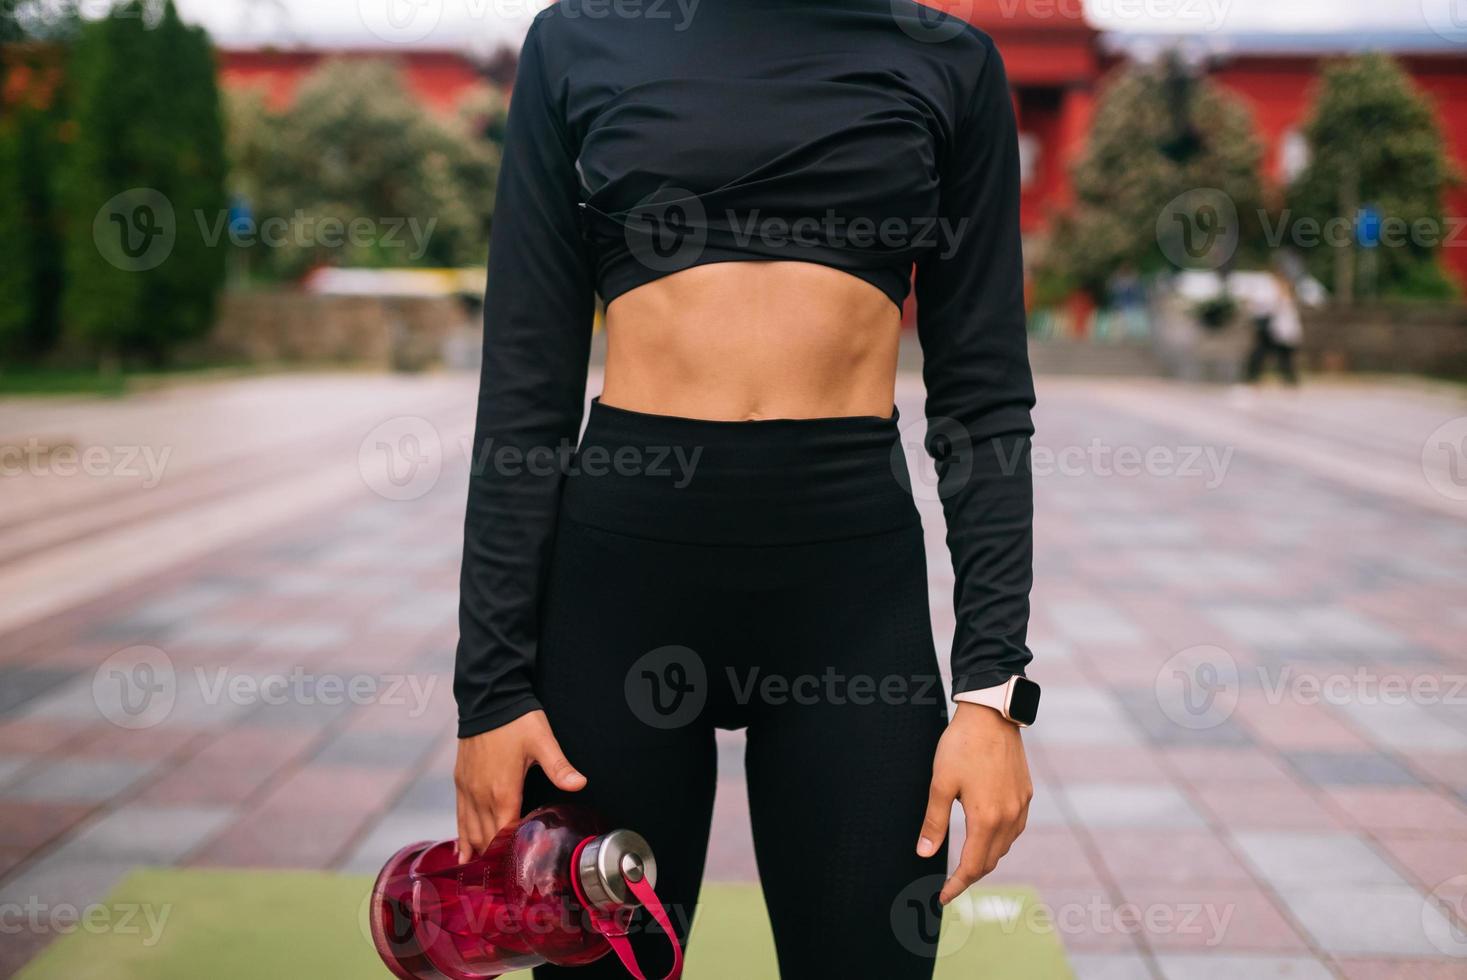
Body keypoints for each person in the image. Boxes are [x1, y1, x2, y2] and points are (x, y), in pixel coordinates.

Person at [452, 1, 1038, 975]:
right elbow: (526, 385)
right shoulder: (579, 38)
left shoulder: (950, 61)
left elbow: (983, 394)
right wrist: (490, 690)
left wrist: (993, 693)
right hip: (620, 598)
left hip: (851, 608)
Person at [1241, 269, 1304, 385]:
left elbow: (1287, 319)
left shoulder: (1284, 300)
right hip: (1274, 331)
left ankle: (1289, 380)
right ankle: (1254, 378)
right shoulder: (1277, 297)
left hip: (1280, 332)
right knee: (1266, 355)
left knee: (1280, 357)